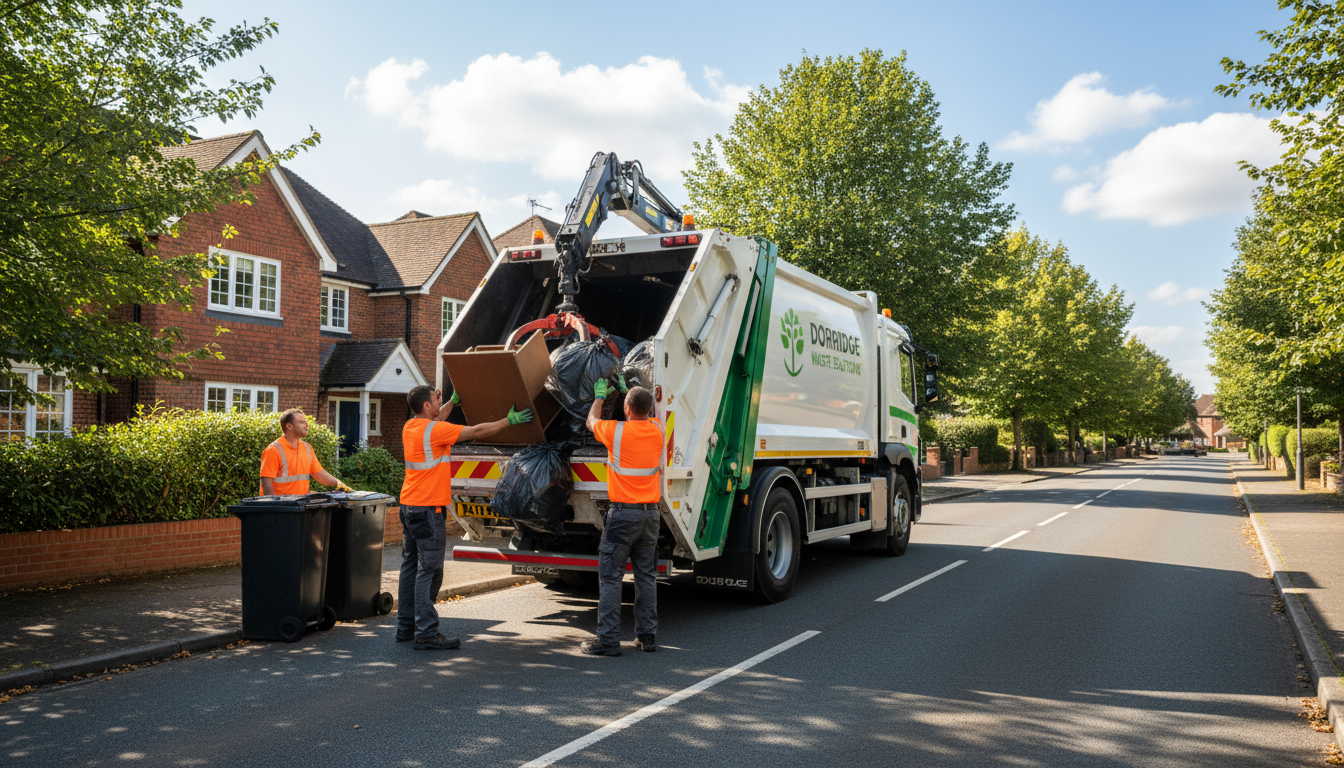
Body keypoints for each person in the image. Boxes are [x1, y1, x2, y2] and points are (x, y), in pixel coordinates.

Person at [398, 385, 532, 650]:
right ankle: (425, 633)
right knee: (430, 571)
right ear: (426, 406)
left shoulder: (410, 427)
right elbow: (477, 431)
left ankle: (406, 627)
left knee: (410, 567)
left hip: (408, 506)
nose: (439, 403)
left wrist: (450, 402)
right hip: (428, 510)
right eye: (435, 400)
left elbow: (438, 419)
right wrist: (509, 420)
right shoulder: (435, 431)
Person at [581, 376, 664, 656]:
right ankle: (647, 637)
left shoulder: (615, 433)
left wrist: (600, 396)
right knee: (646, 576)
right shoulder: (658, 430)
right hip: (650, 516)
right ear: (648, 411)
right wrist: (631, 392)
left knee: (612, 576)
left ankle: (607, 640)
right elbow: (643, 411)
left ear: (626, 409)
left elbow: (591, 421)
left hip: (622, 516)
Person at [260, 409, 352, 496]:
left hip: (299, 506)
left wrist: (338, 483)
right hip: (281, 508)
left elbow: (319, 474)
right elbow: (266, 481)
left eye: (306, 422)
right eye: (301, 422)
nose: (307, 425)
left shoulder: (307, 448)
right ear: (289, 426)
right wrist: (272, 505)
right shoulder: (273, 450)